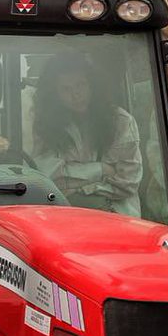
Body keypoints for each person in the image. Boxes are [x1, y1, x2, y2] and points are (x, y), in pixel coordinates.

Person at [31, 53, 142, 216]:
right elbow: (46, 177)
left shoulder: (121, 122)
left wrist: (77, 188)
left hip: (118, 217)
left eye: (80, 85)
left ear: (92, 85)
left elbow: (127, 183)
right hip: (67, 218)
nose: (75, 95)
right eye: (66, 89)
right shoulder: (47, 127)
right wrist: (100, 169)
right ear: (55, 94)